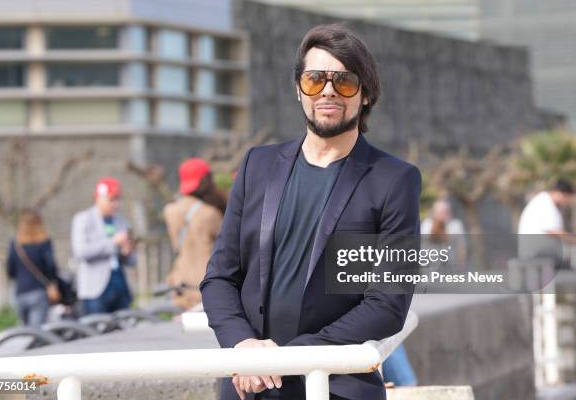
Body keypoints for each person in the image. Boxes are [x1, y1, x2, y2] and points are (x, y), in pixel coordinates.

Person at [201, 24, 421, 400]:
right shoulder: (258, 164)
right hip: (249, 386)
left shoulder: (394, 180)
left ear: (366, 94)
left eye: (345, 81)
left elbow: (388, 303)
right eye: (315, 79)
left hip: (336, 385)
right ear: (298, 90)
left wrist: (292, 357)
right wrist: (242, 346)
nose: (329, 91)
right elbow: (220, 278)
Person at [163, 158, 225, 310]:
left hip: (180, 283)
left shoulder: (169, 210)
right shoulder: (210, 213)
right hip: (206, 284)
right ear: (206, 181)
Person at [71, 177, 136, 315]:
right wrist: (113, 243)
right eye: (111, 199)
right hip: (95, 290)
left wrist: (127, 252)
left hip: (120, 286)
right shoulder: (83, 219)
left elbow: (131, 260)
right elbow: (81, 252)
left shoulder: (122, 222)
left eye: (118, 199)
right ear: (99, 199)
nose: (116, 204)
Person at [7, 209, 60, 328]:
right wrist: (52, 283)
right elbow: (50, 266)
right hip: (38, 291)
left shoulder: (15, 243)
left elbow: (10, 269)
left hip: (20, 292)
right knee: (36, 333)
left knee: (27, 331)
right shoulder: (44, 242)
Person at [518, 179, 574, 268]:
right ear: (560, 194)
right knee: (568, 262)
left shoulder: (546, 202)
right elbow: (553, 231)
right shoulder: (545, 203)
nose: (566, 203)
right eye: (567, 198)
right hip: (536, 250)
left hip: (537, 248)